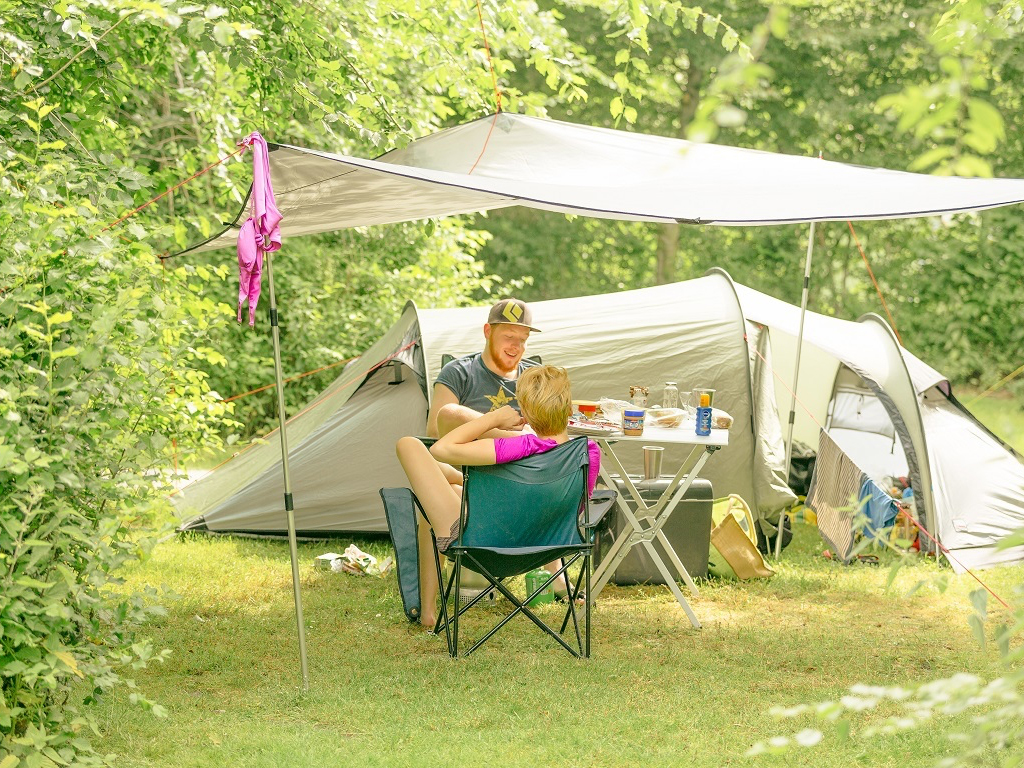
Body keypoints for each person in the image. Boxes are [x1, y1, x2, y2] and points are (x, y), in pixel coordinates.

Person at [396, 365, 601, 630]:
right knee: (456, 491)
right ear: (569, 408)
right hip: (549, 545)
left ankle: (428, 614)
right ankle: (455, 480)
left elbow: (441, 447)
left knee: (408, 445)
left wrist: (492, 419)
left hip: (482, 546)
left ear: (525, 412)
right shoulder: (588, 453)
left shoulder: (518, 446)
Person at [425, 297, 542, 440]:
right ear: (488, 331)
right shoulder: (458, 373)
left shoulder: (537, 377)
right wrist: (501, 429)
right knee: (450, 414)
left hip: (527, 460)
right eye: (509, 336)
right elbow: (436, 431)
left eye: (523, 339)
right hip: (471, 460)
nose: (516, 346)